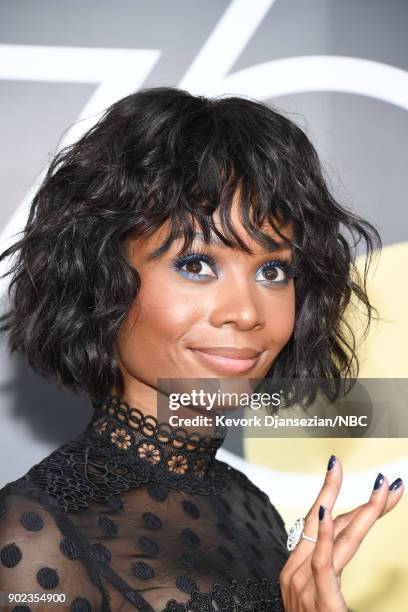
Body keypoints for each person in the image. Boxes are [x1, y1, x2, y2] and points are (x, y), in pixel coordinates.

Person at [0, 87, 403, 612]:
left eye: (272, 270)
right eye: (196, 265)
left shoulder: (249, 505)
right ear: (101, 281)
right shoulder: (32, 537)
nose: (247, 310)